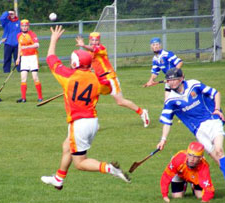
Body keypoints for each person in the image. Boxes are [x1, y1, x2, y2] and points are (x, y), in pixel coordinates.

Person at [41, 25, 130, 190]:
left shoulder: (68, 76)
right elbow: (108, 89)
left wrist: (53, 40)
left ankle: (110, 168)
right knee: (66, 146)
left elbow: (50, 58)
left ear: (75, 62)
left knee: (80, 163)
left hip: (79, 123)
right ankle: (59, 179)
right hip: (92, 122)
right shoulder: (96, 79)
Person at [156, 67, 225, 199]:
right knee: (216, 158)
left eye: (174, 80)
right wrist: (163, 139)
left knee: (219, 150)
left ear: (181, 79)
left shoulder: (194, 85)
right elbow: (167, 121)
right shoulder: (170, 101)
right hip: (199, 131)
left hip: (212, 120)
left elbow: (215, 93)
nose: (171, 83)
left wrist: (217, 109)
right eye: (169, 81)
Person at [75, 32, 150, 128]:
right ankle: (94, 122)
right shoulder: (88, 54)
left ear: (99, 41)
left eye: (96, 40)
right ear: (90, 40)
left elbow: (93, 49)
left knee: (120, 101)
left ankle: (142, 112)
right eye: (92, 40)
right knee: (91, 99)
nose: (94, 42)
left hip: (110, 78)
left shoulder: (101, 48)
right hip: (99, 80)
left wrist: (83, 45)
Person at [15, 19, 43, 103]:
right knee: (23, 78)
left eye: (25, 26)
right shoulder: (19, 35)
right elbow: (19, 46)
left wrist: (27, 47)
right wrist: (18, 58)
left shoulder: (32, 34)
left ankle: (40, 97)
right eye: (22, 26)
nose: (24, 27)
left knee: (35, 77)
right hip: (24, 58)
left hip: (33, 57)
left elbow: (37, 45)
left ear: (28, 26)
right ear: (20, 27)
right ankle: (23, 98)